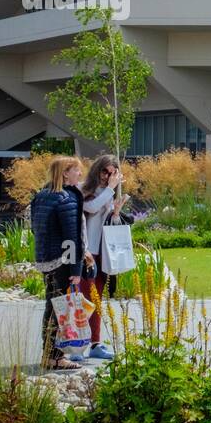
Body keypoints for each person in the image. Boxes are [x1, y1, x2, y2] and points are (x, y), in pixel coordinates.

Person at [30, 156, 86, 370]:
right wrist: (75, 269)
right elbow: (72, 237)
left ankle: (49, 354)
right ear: (65, 173)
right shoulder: (66, 198)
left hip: (45, 259)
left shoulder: (42, 196)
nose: (80, 174)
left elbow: (35, 229)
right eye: (76, 171)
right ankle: (55, 356)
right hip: (61, 262)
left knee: (51, 306)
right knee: (59, 309)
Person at [80, 154, 127, 361]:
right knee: (84, 299)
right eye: (105, 172)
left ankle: (95, 342)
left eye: (112, 173)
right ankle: (76, 344)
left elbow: (109, 225)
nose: (108, 176)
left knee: (97, 299)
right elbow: (90, 208)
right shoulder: (85, 190)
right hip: (88, 252)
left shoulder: (109, 194)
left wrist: (116, 213)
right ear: (97, 170)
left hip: (103, 254)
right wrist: (110, 189)